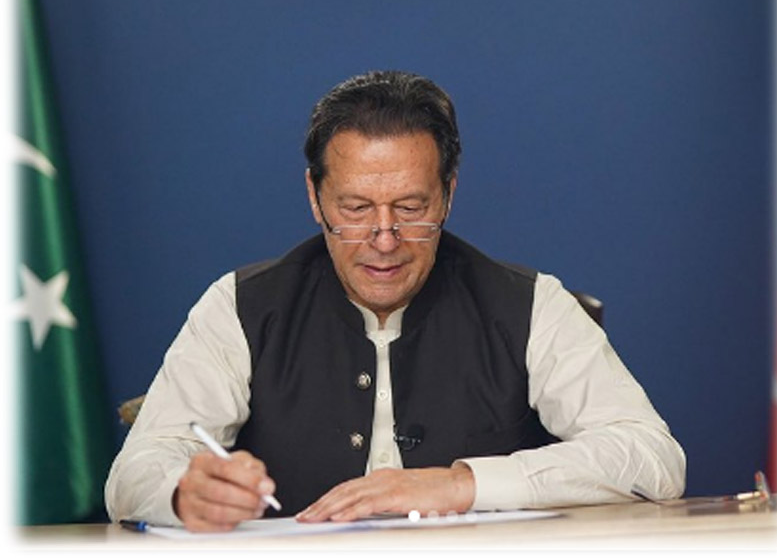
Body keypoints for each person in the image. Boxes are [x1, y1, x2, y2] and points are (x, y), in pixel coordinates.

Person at [105, 70, 685, 532]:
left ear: (448, 194)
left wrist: (462, 484)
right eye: (356, 208)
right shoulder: (238, 306)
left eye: (411, 208)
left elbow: (652, 457)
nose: (384, 239)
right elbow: (135, 472)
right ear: (314, 198)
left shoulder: (534, 305)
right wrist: (184, 493)